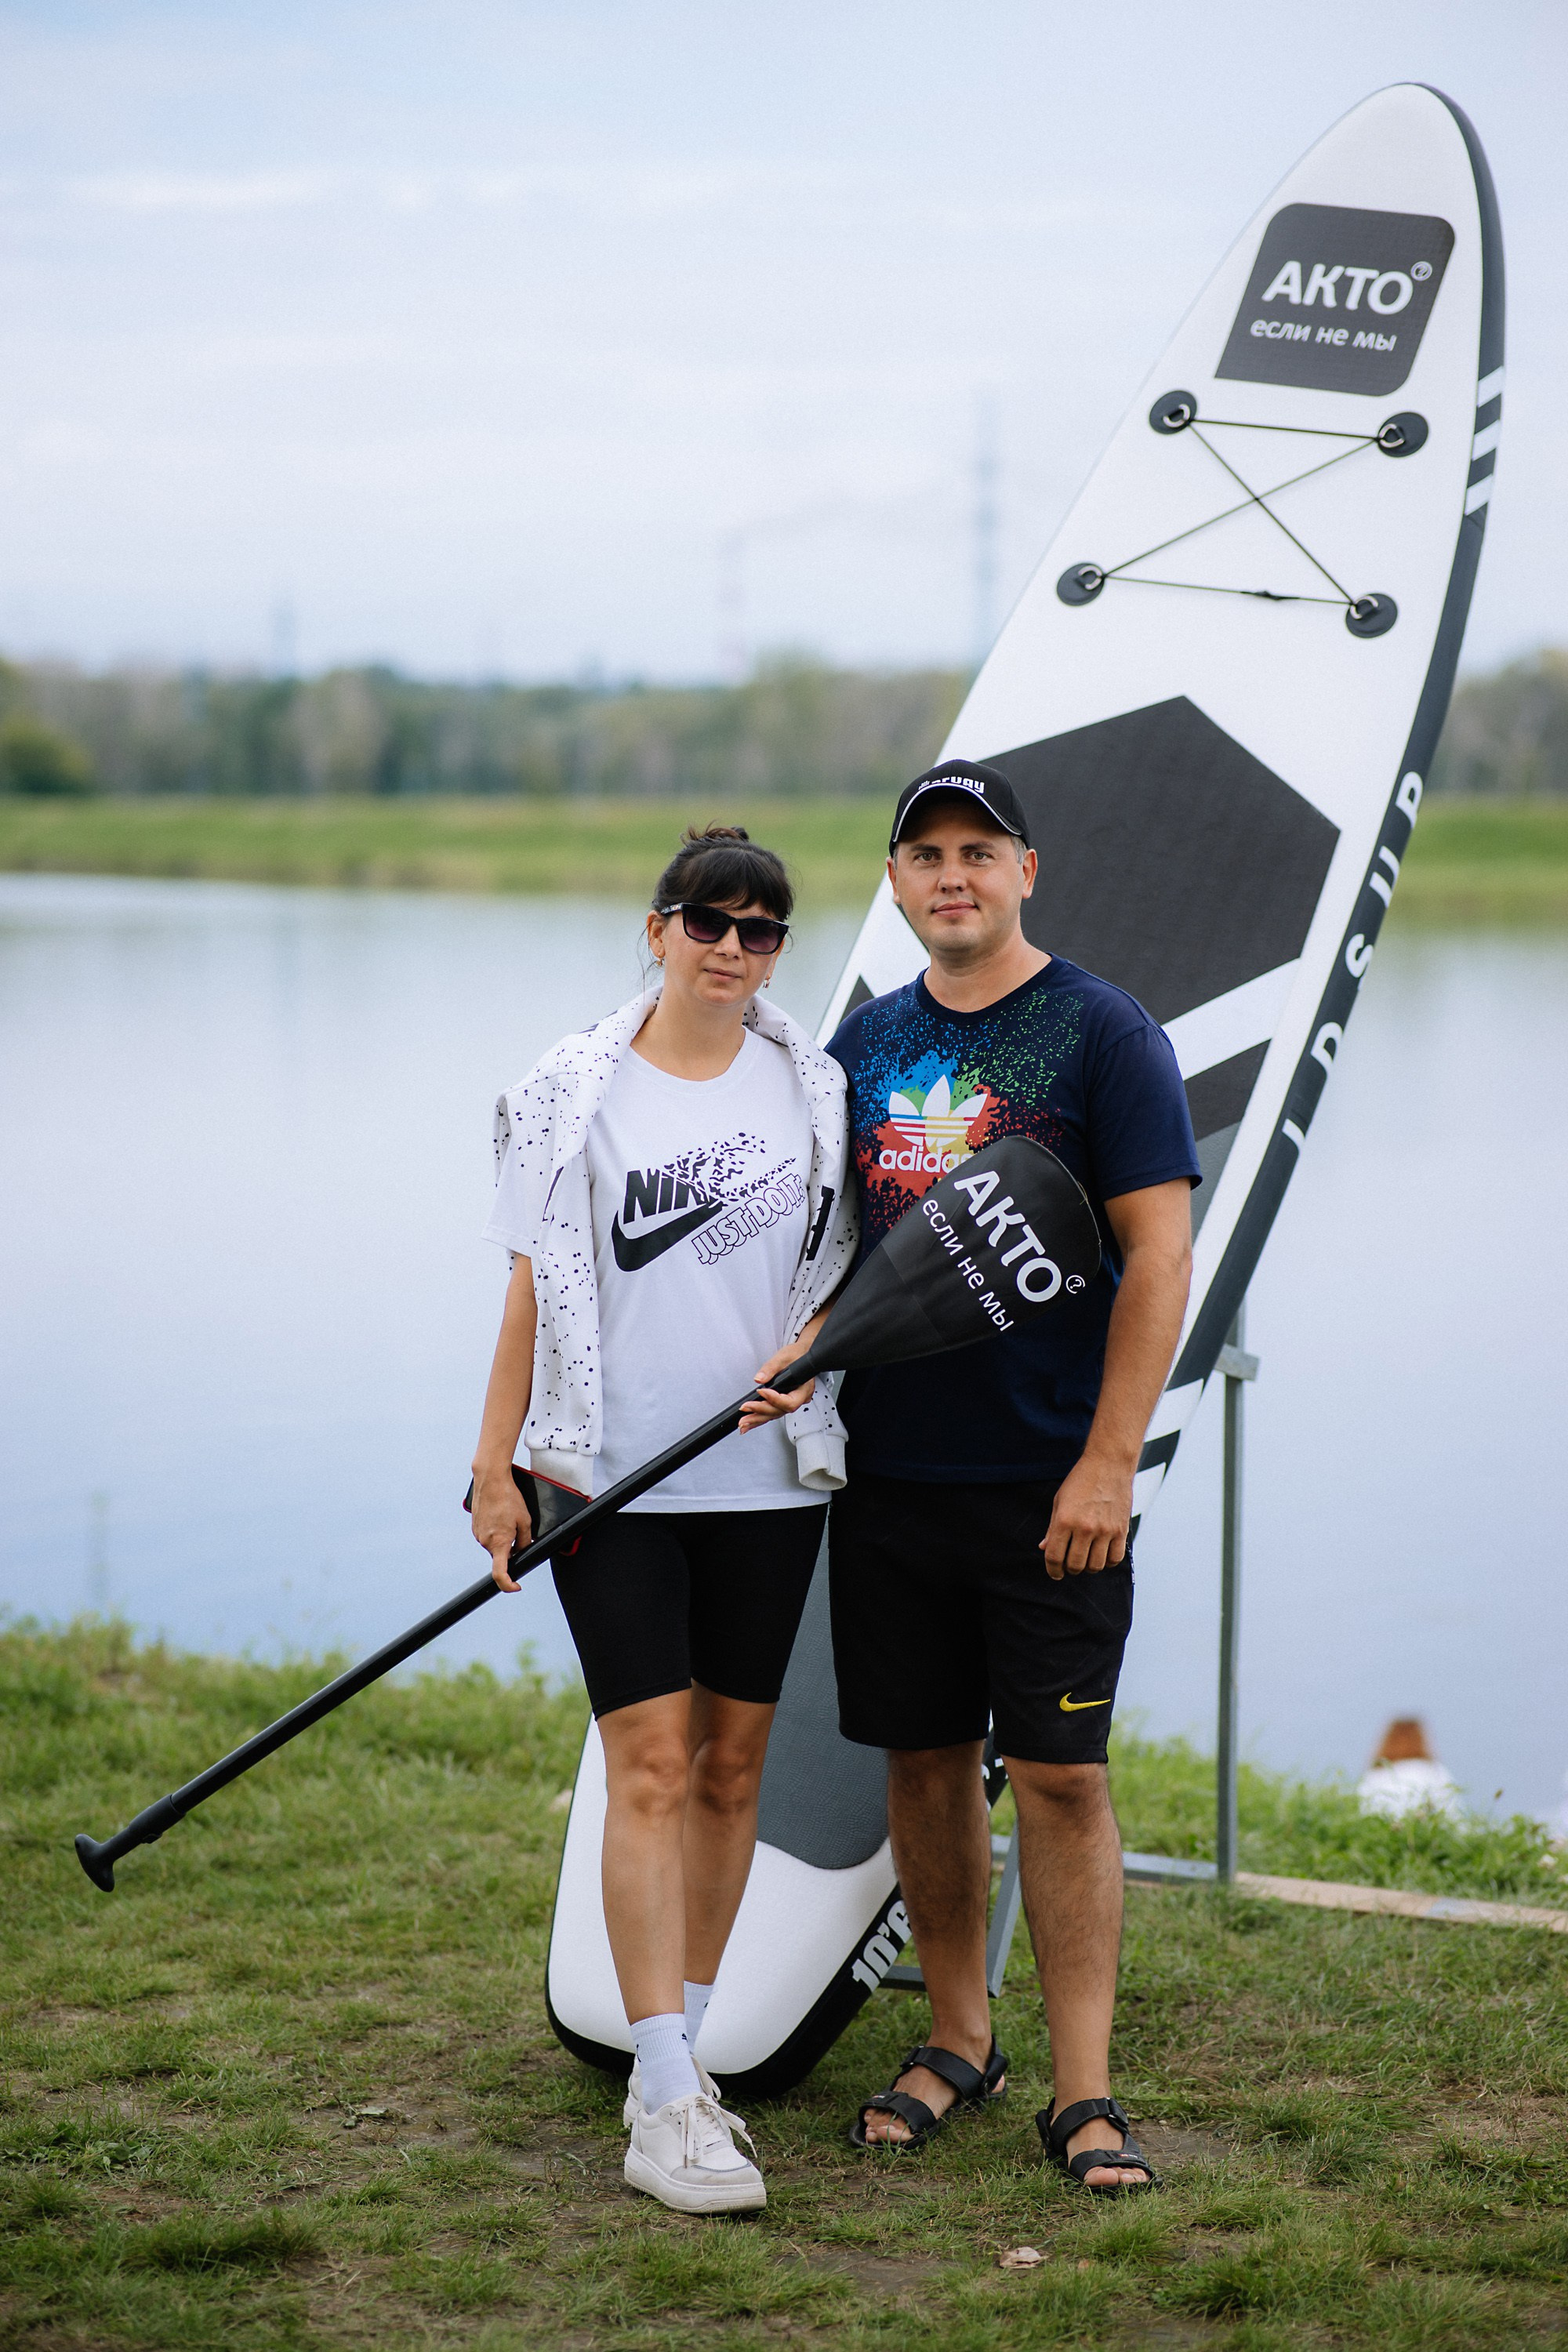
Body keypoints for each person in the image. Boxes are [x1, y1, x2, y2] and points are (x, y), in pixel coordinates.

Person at [469, 823, 856, 2216]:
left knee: (731, 1773)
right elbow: (527, 1285)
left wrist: (807, 1349)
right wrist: (495, 1466)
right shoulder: (569, 1088)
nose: (734, 952)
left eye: (762, 932)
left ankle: (679, 2051)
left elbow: (845, 1272)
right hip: (609, 1480)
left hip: (766, 1483)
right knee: (647, 1765)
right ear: (658, 928)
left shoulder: (815, 1087)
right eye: (710, 923)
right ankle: (660, 2091)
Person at [826, 760, 1198, 2196]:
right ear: (902, 882)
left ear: (1027, 870)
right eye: (925, 855)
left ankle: (1086, 2092)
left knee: (1056, 1775)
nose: (952, 876)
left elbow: (1156, 1256)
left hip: (1052, 1488)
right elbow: (836, 1257)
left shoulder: (1103, 1034)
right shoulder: (863, 1047)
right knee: (921, 1764)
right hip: (892, 1478)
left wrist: (1110, 1462)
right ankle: (960, 2042)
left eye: (979, 850)